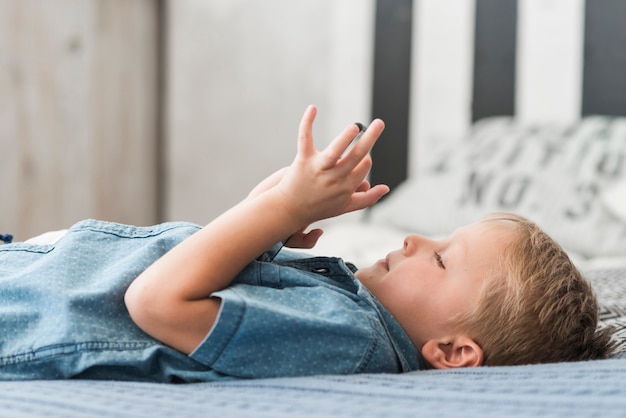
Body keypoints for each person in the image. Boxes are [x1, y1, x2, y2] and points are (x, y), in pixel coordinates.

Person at [0, 106, 615, 382]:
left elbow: (157, 302)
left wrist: (277, 212)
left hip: (30, 316)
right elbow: (217, 255)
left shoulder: (349, 338)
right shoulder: (349, 301)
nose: (414, 236)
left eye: (442, 256)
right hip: (34, 275)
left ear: (453, 352)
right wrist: (281, 214)